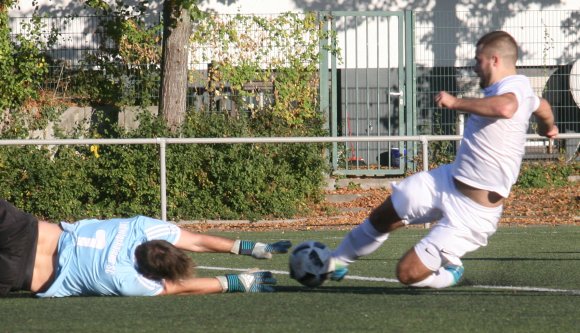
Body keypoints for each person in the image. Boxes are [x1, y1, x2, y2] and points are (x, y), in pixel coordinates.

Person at [324, 30, 559, 288]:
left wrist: (455, 102)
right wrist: (548, 128)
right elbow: (542, 106)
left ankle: (451, 274)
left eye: (478, 60)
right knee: (383, 216)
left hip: (474, 214)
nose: (474, 66)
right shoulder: (522, 88)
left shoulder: (512, 87)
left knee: (407, 274)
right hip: (446, 181)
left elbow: (505, 108)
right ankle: (336, 262)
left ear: (494, 60)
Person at [0, 199, 291, 297]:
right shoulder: (132, 282)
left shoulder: (141, 227)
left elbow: (197, 240)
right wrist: (235, 282)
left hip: (25, 232)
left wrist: (251, 247)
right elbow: (180, 288)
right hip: (21, 274)